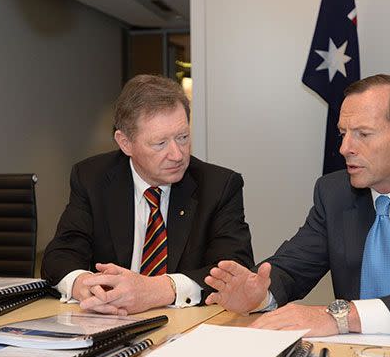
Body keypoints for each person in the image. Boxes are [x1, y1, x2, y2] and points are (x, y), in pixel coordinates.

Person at [205, 74, 390, 339]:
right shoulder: (334, 192)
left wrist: (340, 316)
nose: (344, 148)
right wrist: (261, 293)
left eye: (363, 134)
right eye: (343, 133)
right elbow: (293, 267)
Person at [42, 74, 254, 315]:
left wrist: (158, 290)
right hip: (110, 323)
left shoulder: (219, 186)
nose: (177, 154)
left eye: (183, 137)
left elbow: (235, 271)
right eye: (160, 143)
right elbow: (59, 256)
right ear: (125, 143)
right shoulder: (92, 178)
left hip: (187, 326)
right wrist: (84, 285)